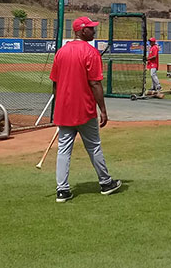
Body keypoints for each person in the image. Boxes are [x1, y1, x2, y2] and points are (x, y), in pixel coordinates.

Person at [50, 16, 122, 203]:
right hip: (84, 109)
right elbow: (95, 84)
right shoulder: (90, 52)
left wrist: (59, 107)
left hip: (64, 110)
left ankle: (62, 190)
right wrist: (103, 110)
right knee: (94, 146)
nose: (94, 30)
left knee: (63, 150)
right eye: (90, 28)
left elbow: (55, 84)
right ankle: (106, 183)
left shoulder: (61, 52)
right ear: (82, 31)